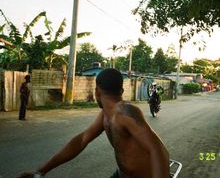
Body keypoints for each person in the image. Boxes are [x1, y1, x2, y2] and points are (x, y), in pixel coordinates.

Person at [17, 68, 169, 178]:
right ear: (121, 91)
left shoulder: (125, 112)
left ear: (97, 91)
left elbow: (158, 150)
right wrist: (41, 171)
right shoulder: (105, 115)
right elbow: (82, 140)